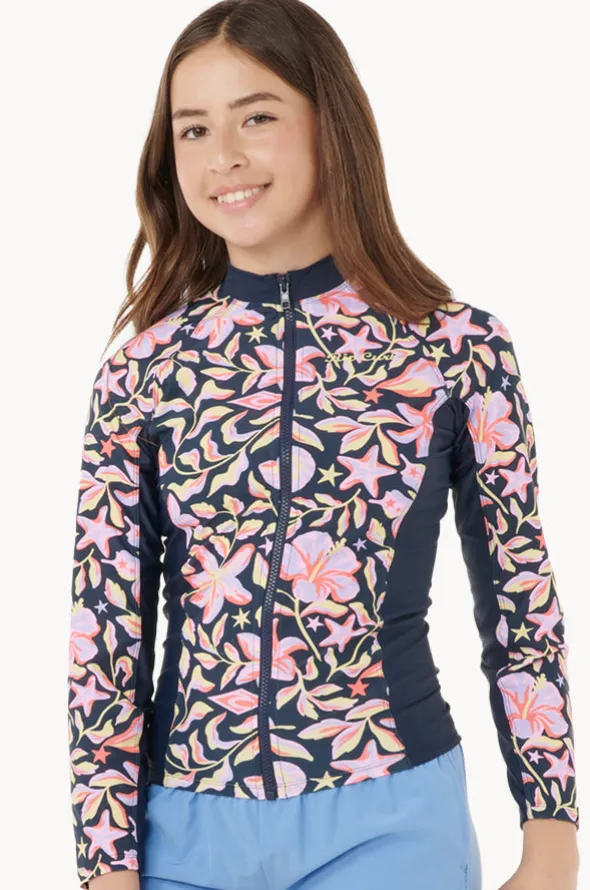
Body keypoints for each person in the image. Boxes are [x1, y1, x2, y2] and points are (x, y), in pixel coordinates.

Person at [66, 1, 580, 889]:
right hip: (182, 834)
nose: (223, 156)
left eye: (257, 116)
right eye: (194, 129)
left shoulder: (456, 351)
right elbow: (105, 635)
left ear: (329, 123)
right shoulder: (143, 373)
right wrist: (104, 864)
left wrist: (554, 838)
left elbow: (520, 605)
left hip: (391, 822)